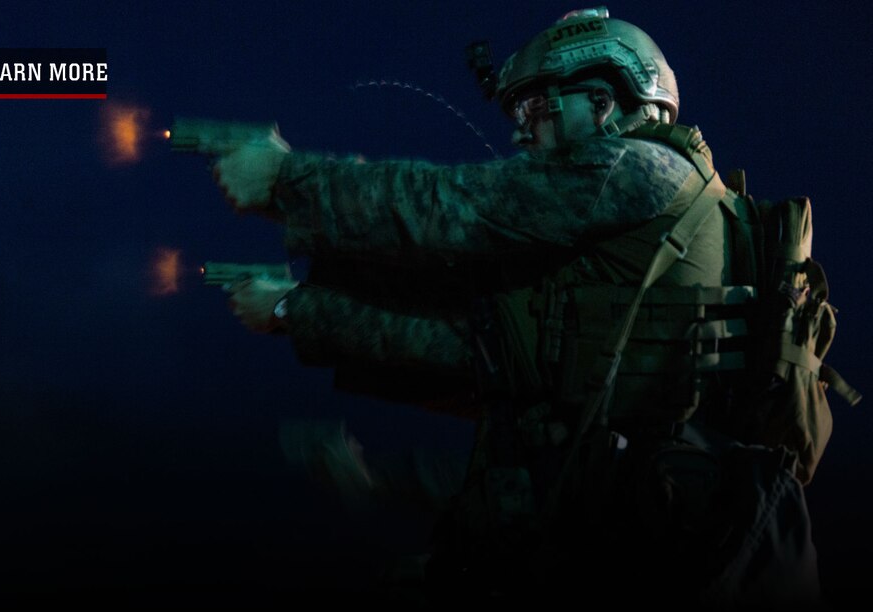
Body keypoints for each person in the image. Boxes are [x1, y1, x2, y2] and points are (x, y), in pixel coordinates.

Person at [212, 8, 823, 607]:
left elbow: (448, 210)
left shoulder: (634, 169)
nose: (518, 131)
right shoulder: (651, 231)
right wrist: (300, 311)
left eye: (534, 108)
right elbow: (500, 366)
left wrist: (285, 180)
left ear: (604, 104)